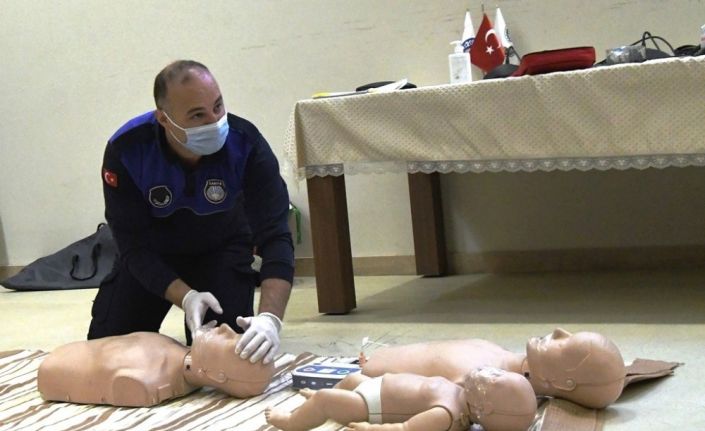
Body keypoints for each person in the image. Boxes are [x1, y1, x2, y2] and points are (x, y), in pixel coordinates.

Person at [87, 60, 294, 365]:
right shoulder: (127, 150)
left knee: (230, 358)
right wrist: (186, 297)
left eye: (218, 106)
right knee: (107, 355)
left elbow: (276, 236)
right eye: (198, 115)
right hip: (153, 256)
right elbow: (133, 246)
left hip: (222, 249)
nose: (214, 122)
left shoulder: (247, 145)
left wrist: (270, 320)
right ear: (164, 119)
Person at [359, 328, 626, 409]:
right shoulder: (501, 355)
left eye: (567, 345)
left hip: (370, 376)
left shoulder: (481, 380)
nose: (558, 331)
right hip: (377, 359)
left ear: (562, 383)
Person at [38, 323, 275, 407]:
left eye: (230, 340)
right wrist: (186, 296)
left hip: (53, 369)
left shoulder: (147, 381)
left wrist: (271, 318)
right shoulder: (174, 350)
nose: (225, 328)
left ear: (218, 376)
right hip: (148, 258)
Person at [265, 367, 537, 431]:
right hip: (375, 386)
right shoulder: (460, 392)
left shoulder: (446, 415)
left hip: (371, 406)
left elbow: (405, 428)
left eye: (493, 379)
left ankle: (290, 421)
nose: (488, 371)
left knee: (326, 399)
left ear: (483, 407)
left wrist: (371, 428)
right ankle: (322, 400)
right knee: (350, 379)